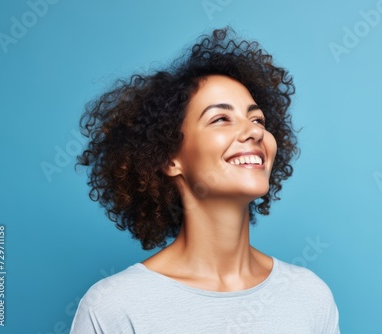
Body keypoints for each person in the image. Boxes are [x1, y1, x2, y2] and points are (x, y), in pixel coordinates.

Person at [71, 26, 340, 333]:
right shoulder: (114, 307)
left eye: (257, 119)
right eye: (221, 119)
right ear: (170, 157)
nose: (254, 131)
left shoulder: (309, 297)